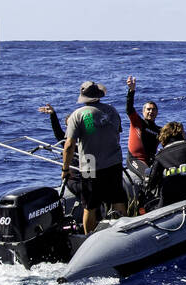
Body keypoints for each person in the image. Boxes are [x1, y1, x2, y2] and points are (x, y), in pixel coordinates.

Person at [61, 81, 126, 233]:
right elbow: (116, 132)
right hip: (114, 163)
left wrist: (65, 168)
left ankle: (88, 237)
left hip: (90, 164)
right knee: (118, 199)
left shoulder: (78, 115)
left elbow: (69, 145)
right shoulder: (112, 111)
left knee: (89, 205)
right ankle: (122, 231)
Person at [143, 122, 186, 209]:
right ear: (179, 133)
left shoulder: (159, 155)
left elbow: (153, 180)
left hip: (170, 192)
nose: (185, 133)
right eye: (183, 131)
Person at [124, 76, 161, 165]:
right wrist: (131, 91)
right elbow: (129, 108)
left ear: (157, 112)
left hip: (151, 161)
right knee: (148, 177)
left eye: (153, 109)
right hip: (135, 160)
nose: (151, 111)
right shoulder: (137, 122)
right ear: (143, 111)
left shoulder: (160, 131)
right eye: (148, 109)